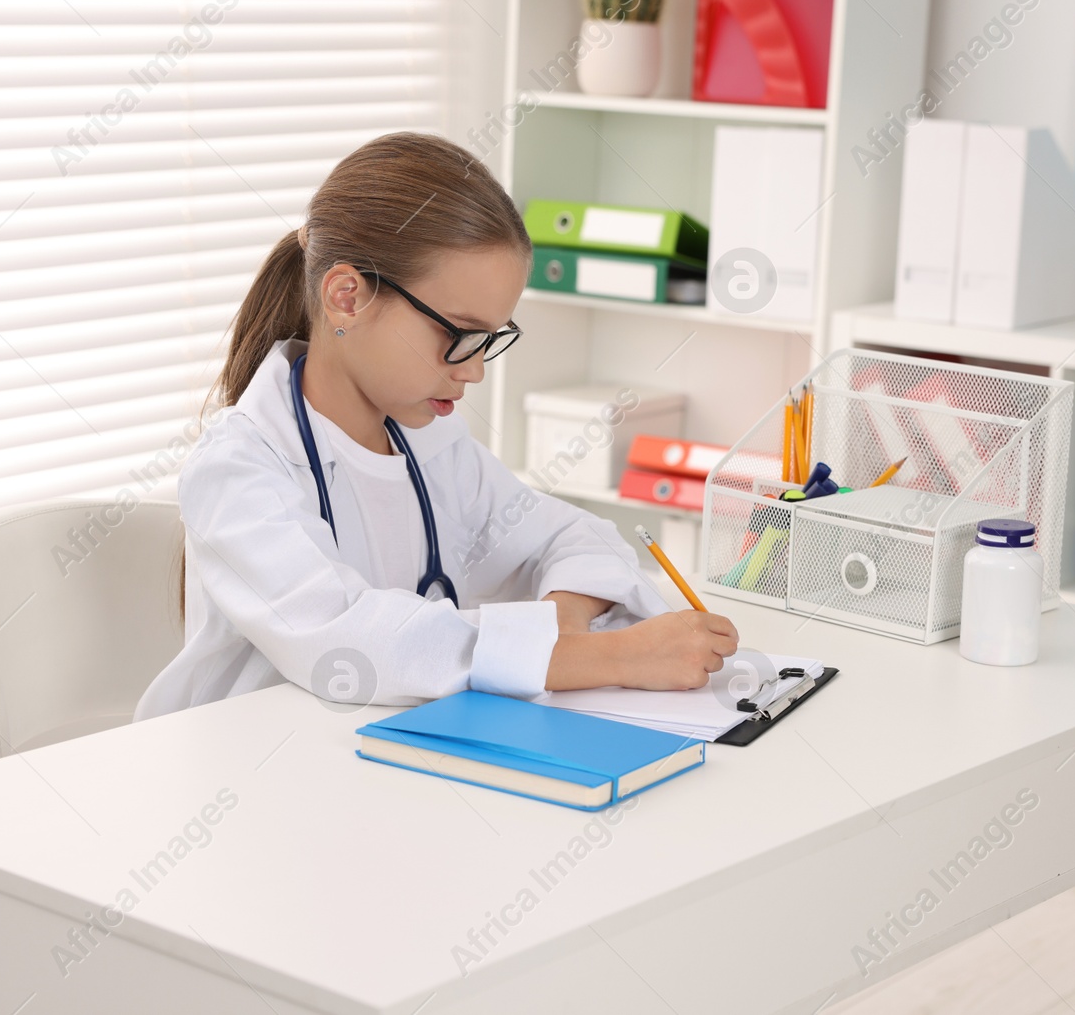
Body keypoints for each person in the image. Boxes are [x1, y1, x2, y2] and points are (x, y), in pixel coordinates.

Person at [133, 132, 737, 720]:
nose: (474, 369)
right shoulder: (239, 468)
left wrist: (562, 632)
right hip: (248, 777)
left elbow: (581, 539)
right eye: (456, 334)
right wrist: (603, 657)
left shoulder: (431, 444)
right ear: (348, 297)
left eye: (488, 339)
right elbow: (351, 644)